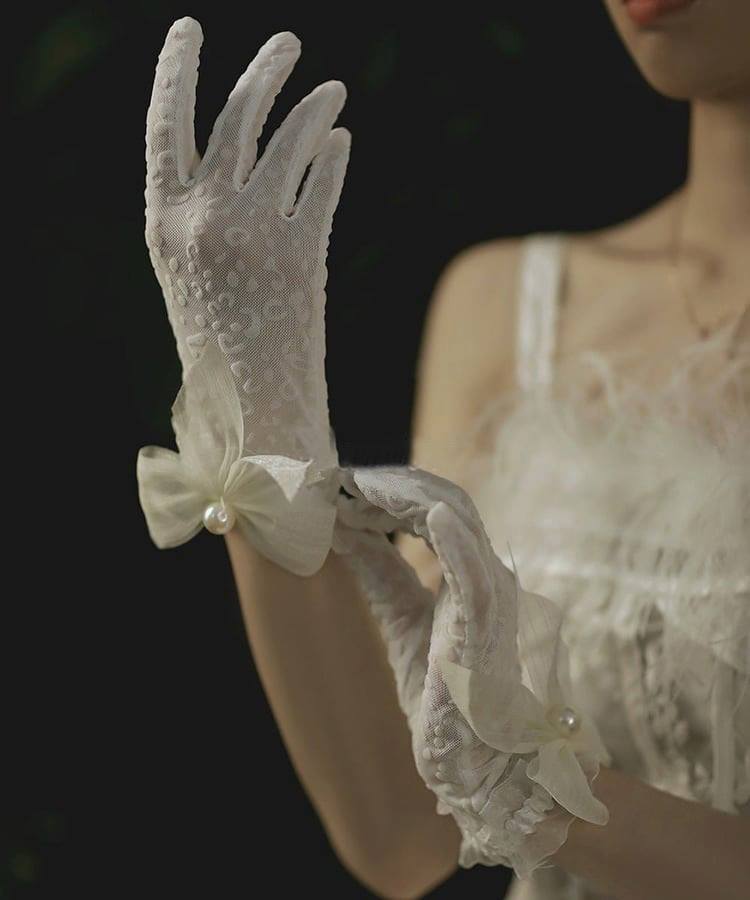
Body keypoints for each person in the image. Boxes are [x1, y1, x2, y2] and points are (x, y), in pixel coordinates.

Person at [137, 3, 749, 898]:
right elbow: (403, 835)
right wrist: (256, 414)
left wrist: (538, 795)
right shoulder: (510, 306)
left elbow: (481, 792)